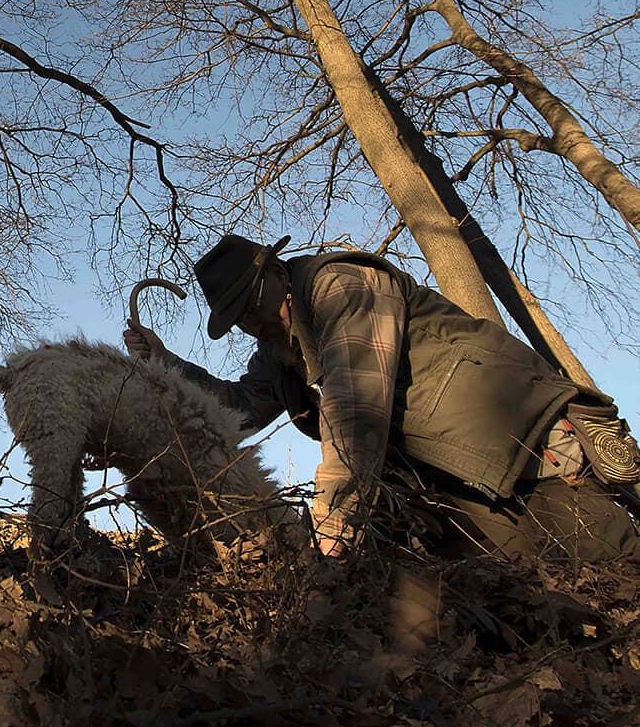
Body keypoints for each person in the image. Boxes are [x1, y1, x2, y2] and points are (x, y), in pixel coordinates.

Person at [124, 235, 640, 566]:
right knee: (522, 599)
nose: (248, 322)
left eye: (249, 304)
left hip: (520, 447)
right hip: (452, 486)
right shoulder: (279, 348)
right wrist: (170, 364)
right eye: (236, 315)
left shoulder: (341, 286)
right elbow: (239, 410)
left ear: (277, 272)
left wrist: (333, 527)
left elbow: (355, 406)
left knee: (610, 570)